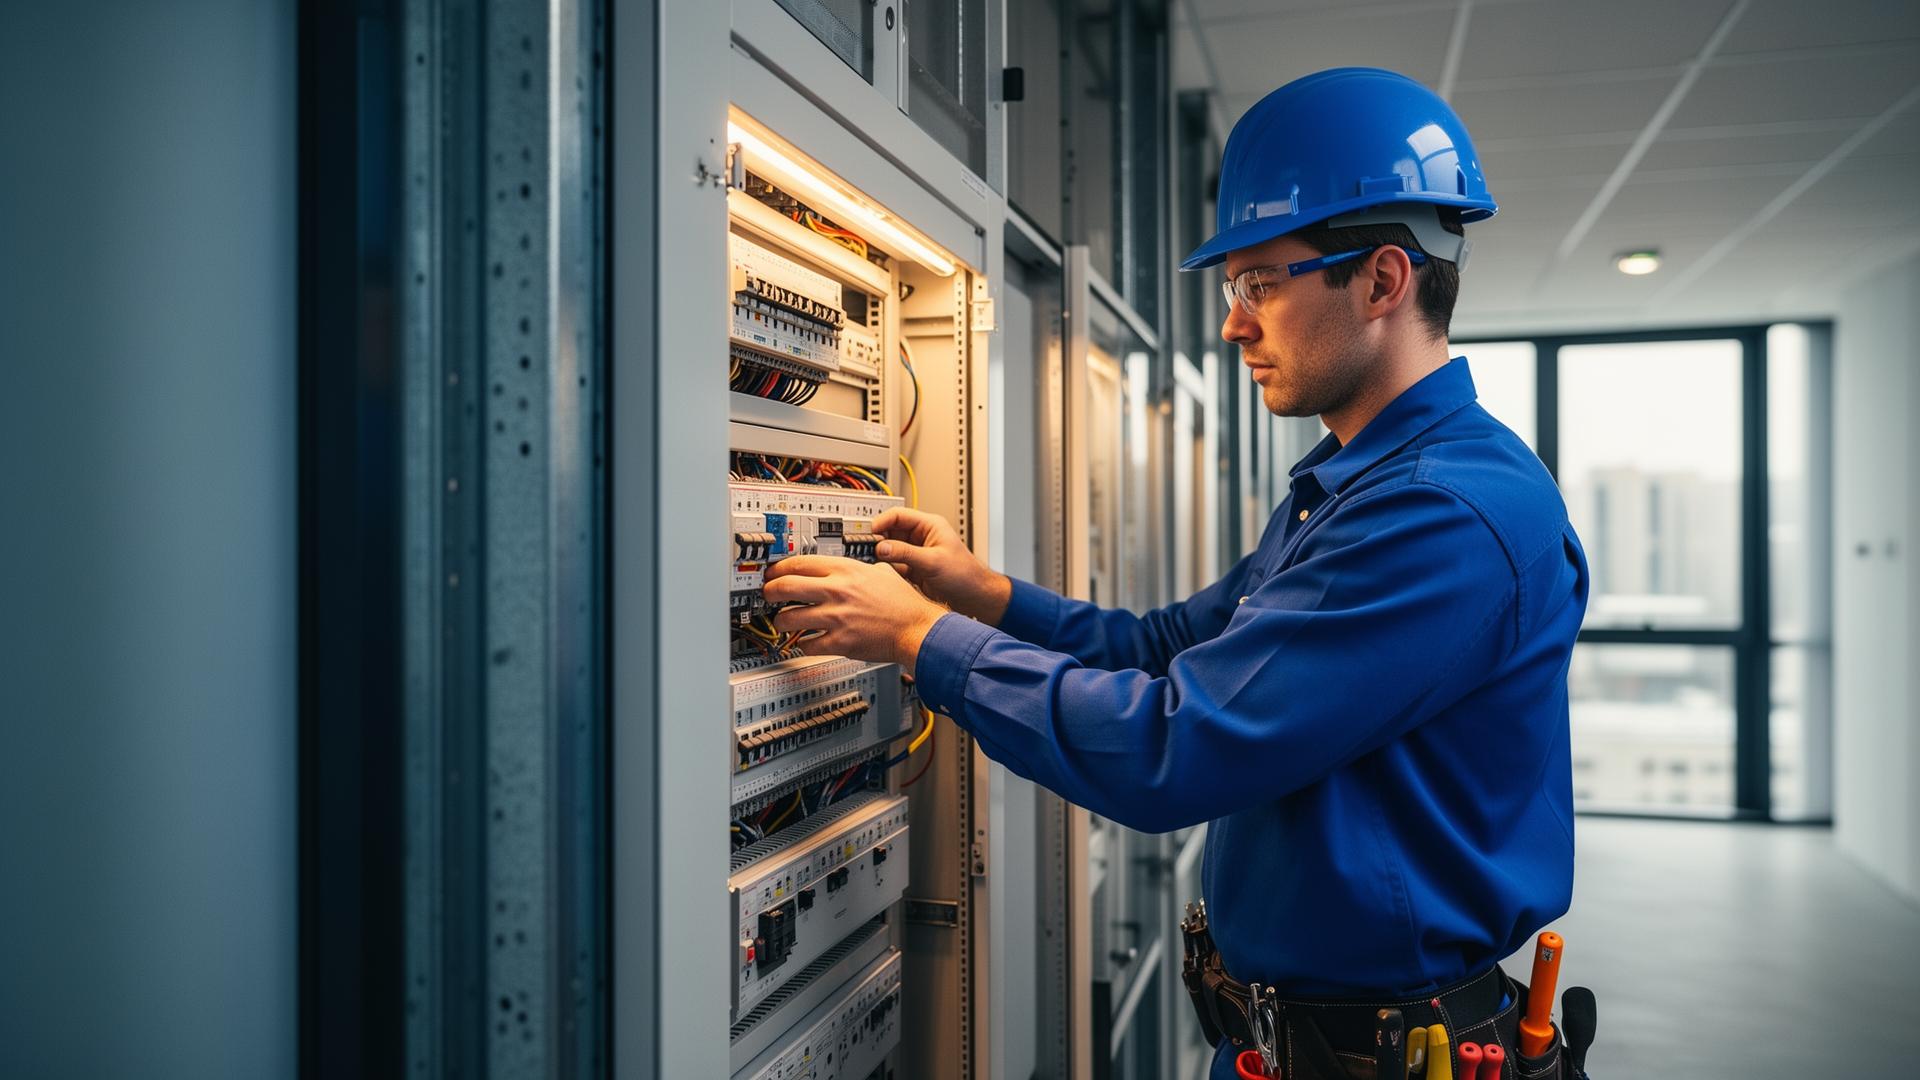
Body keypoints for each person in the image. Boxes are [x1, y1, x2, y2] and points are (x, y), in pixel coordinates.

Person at [763, 67, 1590, 1079]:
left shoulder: (1441, 516)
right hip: (1303, 1043)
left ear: (1381, 281)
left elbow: (1175, 749)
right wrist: (985, 596)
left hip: (1383, 1054)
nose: (1235, 323)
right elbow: (1168, 650)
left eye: (1259, 284)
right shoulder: (1357, 486)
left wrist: (919, 640)